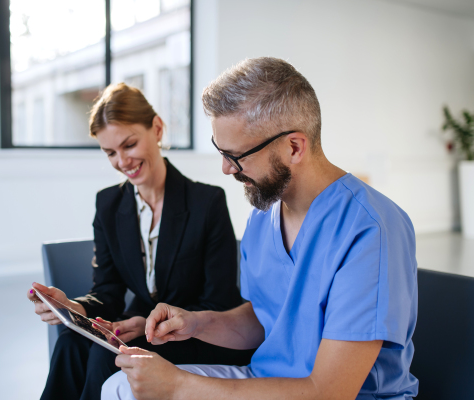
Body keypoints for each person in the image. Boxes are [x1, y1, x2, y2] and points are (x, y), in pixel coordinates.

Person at [102, 57, 419, 400]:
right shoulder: (264, 212)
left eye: (236, 156)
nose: (226, 169)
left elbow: (329, 391)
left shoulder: (369, 230)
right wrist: (195, 323)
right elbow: (263, 318)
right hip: (267, 380)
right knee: (122, 388)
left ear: (294, 147)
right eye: (220, 151)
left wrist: (179, 386)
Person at [27, 83, 254, 400]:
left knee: (107, 356)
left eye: (129, 145)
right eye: (110, 153)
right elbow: (108, 292)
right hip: (140, 327)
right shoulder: (108, 204)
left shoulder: (207, 202)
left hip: (199, 332)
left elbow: (218, 300)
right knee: (69, 341)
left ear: (157, 129)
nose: (122, 161)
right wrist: (74, 307)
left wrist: (149, 322)